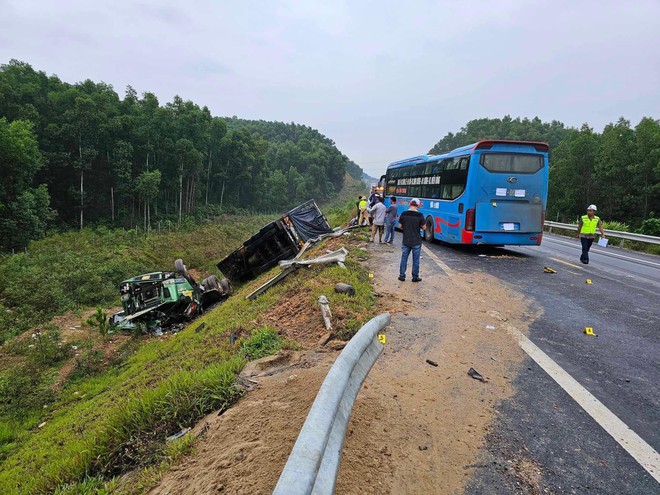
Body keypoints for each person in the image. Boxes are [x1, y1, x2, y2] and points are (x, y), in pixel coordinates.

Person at [398, 198, 426, 282]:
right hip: (416, 241)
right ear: (417, 206)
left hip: (406, 240)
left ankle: (402, 276)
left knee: (404, 258)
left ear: (410, 204)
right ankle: (415, 277)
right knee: (416, 260)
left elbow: (400, 226)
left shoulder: (404, 213)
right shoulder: (420, 215)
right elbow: (424, 228)